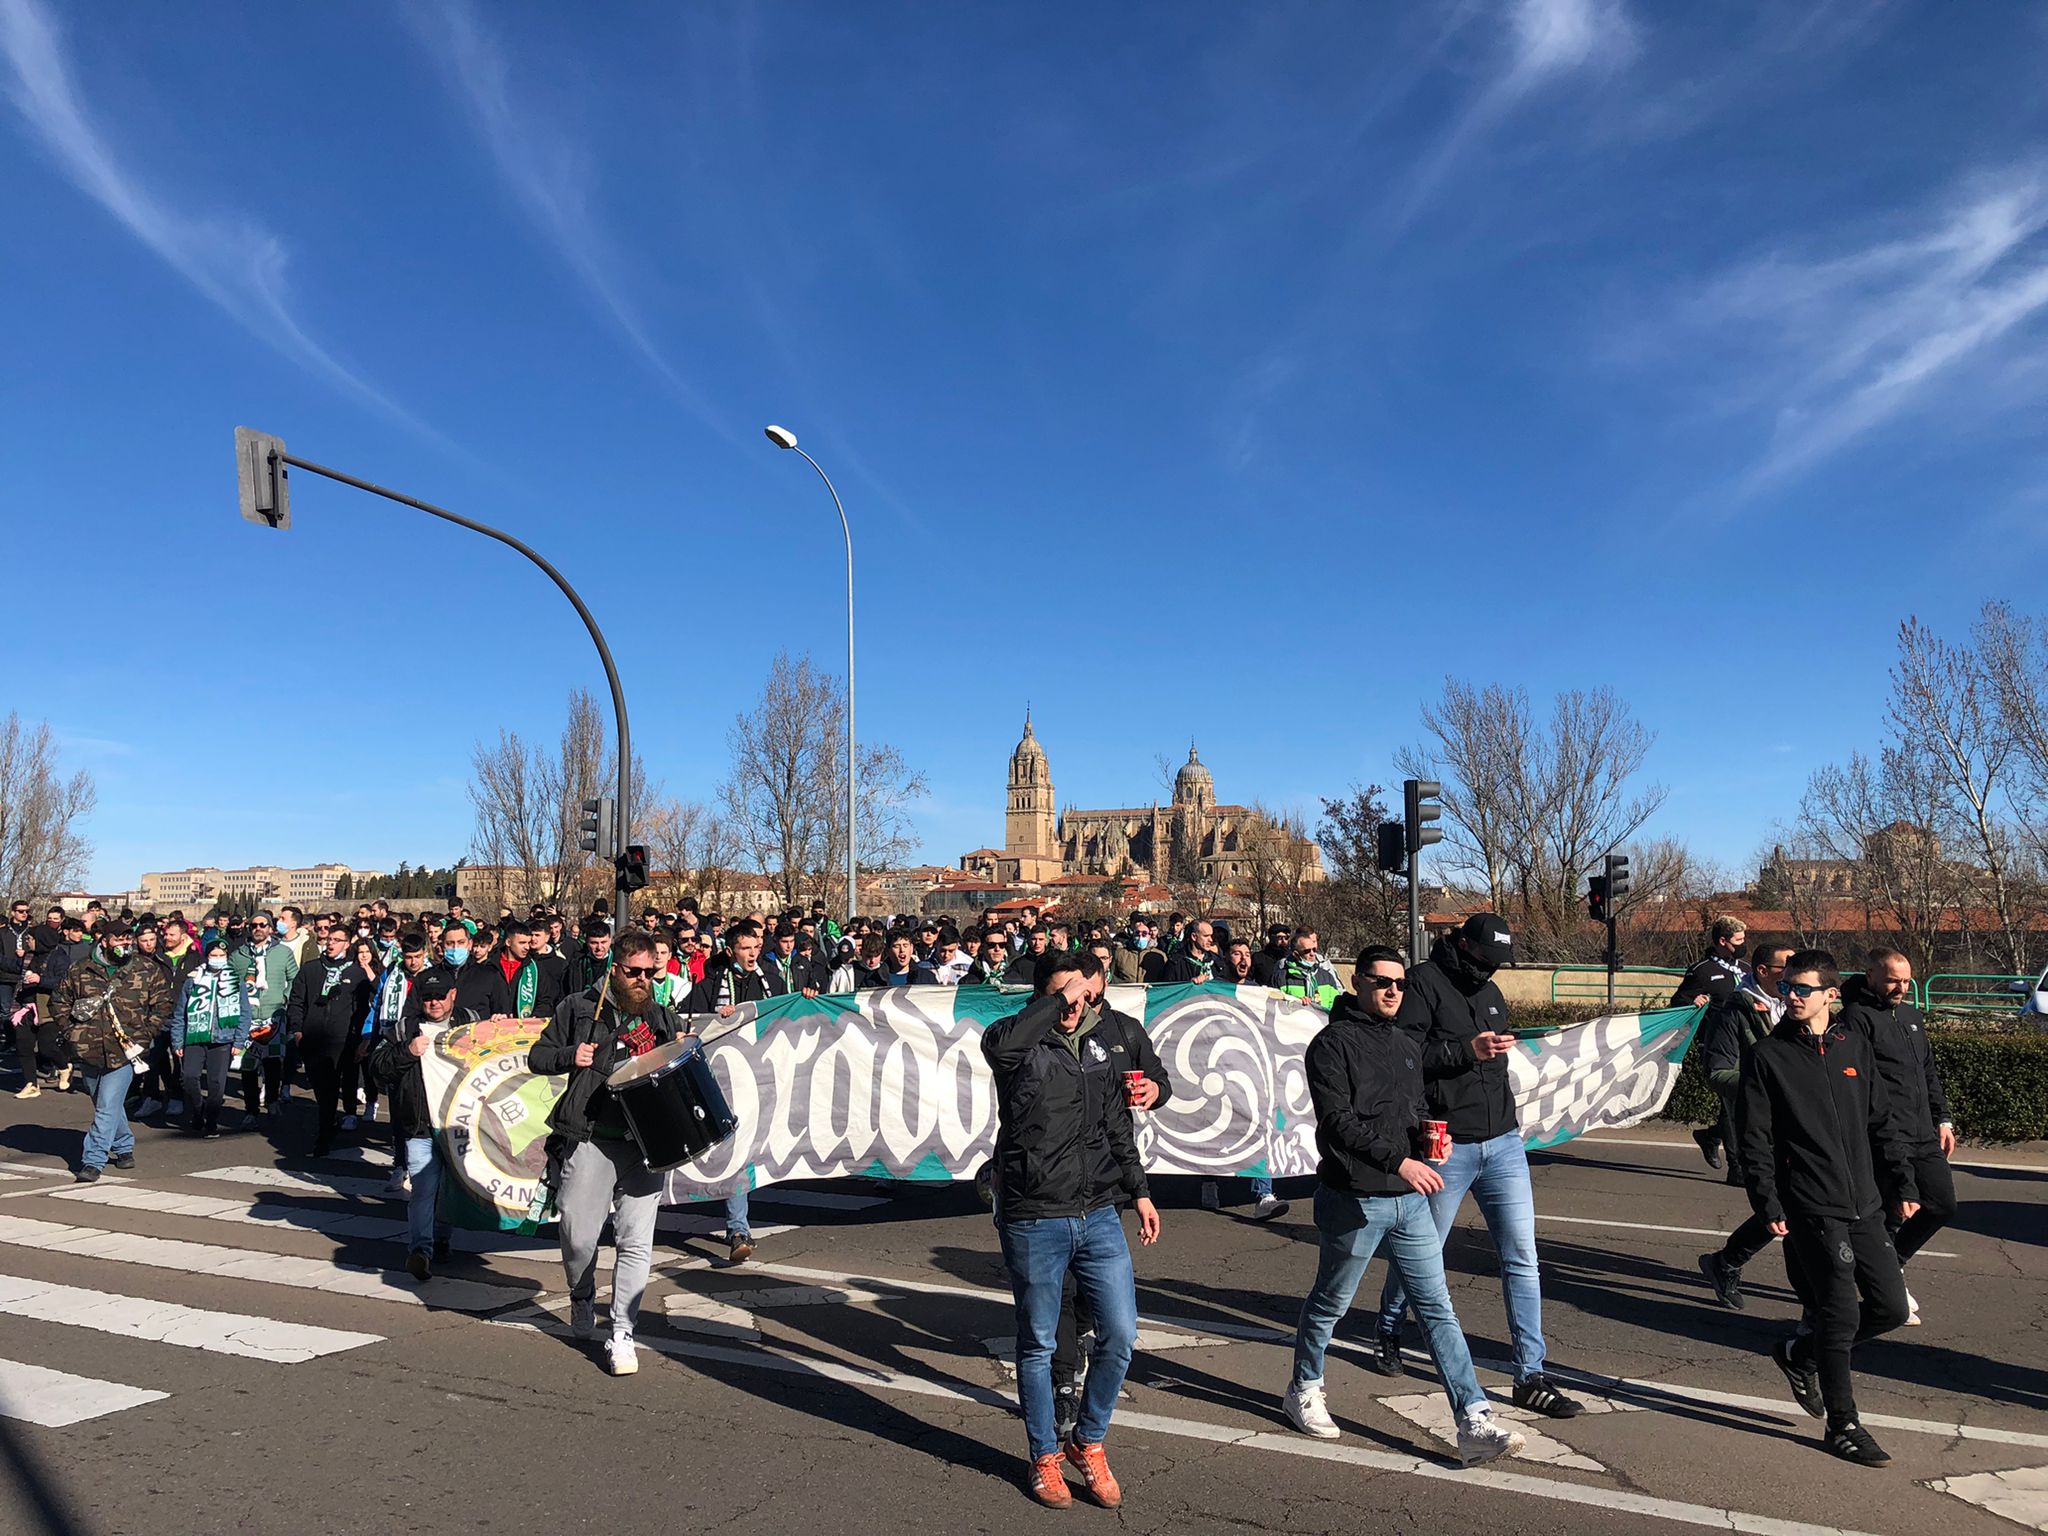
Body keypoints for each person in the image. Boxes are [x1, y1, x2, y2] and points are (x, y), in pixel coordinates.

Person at [1284, 947, 1526, 1465]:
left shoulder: (1405, 1042)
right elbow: (1338, 1123)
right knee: (1332, 1302)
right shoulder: (1331, 1044)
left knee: (1437, 1308)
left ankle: (1472, 1418)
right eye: (1381, 982)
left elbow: (1414, 1106)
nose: (1393, 991)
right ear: (1357, 982)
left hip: (1409, 1199)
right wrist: (1401, 1162)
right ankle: (1304, 1388)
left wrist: (1428, 1136)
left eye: (1399, 984)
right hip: (1355, 1198)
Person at [1373, 913, 1583, 1419]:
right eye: (1485, 961)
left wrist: (1500, 1049)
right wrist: (1466, 1050)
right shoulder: (1422, 982)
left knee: (1522, 1258)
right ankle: (1388, 1325)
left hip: (1503, 1139)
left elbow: (1497, 1050)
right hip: (1448, 1142)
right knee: (1425, 1251)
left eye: (1498, 965)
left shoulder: (1490, 993)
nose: (1490, 972)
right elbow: (1405, 1053)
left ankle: (1529, 1373)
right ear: (1462, 945)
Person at [983, 952, 1160, 1509]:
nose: (1076, 1007)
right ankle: (1043, 1455)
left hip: (1099, 1211)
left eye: (1085, 997)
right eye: (1065, 996)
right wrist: (1058, 1000)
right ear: (1041, 996)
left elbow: (1114, 1125)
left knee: (1121, 1334)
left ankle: (1088, 1440)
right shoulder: (1013, 1040)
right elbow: (1005, 1047)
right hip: (1035, 1214)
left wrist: (1140, 1190)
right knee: (1038, 1344)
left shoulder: (1102, 1046)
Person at [1737, 949, 1917, 1467]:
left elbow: (1881, 1121)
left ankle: (1800, 1354)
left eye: (1803, 989)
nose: (1791, 996)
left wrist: (1902, 1181)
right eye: (1787, 987)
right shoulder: (1769, 1057)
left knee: (1891, 1309)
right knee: (1838, 1315)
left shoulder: (1852, 1044)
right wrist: (1766, 1199)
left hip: (1865, 1202)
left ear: (1830, 996)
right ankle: (1844, 1425)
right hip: (1811, 1205)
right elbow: (1756, 1139)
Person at [528, 930, 685, 1375]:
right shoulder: (578, 1008)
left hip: (645, 1143)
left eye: (649, 973)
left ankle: (622, 1333)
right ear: (614, 969)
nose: (642, 980)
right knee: (578, 1236)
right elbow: (537, 1057)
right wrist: (568, 1056)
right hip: (593, 1135)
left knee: (636, 1242)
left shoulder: (659, 1015)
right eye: (633, 972)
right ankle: (581, 1295)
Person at [1836, 947, 1954, 1326]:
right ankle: (1885, 1288)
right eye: (1892, 980)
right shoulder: (1857, 1017)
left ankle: (1892, 1265)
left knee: (1942, 1205)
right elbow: (1857, 1080)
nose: (1901, 988)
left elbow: (1927, 1071)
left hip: (1923, 1132)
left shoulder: (1910, 1015)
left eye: (1906, 981)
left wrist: (1944, 1119)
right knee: (1890, 1214)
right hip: (1886, 1134)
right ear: (1871, 975)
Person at [1697, 942, 1792, 1309]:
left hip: (1799, 1121)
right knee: (1783, 1205)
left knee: (1800, 1203)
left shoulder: (1797, 1005)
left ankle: (1726, 1262)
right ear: (1764, 971)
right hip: (1760, 1125)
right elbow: (1717, 1073)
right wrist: (1766, 1084)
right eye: (1787, 967)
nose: (1794, 974)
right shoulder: (1734, 1011)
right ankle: (1726, 1262)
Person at [684, 922, 781, 1261]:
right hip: (727, 1080)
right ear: (731, 952)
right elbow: (688, 1022)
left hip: (765, 1079)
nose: (753, 953)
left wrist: (808, 998)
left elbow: (791, 1014)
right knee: (736, 1152)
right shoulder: (711, 985)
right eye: (745, 948)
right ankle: (738, 1228)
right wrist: (716, 1018)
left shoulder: (772, 979)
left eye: (756, 946)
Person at [55, 922, 171, 1182]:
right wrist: (70, 1031)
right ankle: (123, 1145)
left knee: (107, 1104)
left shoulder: (145, 968)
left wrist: (145, 1035)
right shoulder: (80, 970)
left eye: (128, 939)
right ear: (104, 941)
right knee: (104, 1103)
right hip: (89, 1049)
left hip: (126, 1051)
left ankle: (93, 1160)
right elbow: (60, 1000)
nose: (125, 944)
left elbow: (163, 1004)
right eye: (118, 939)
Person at [378, 973, 467, 1281]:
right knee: (423, 1189)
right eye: (428, 997)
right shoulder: (403, 1029)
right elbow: (378, 1067)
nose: (434, 1003)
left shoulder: (471, 1023)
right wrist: (408, 1052)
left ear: (452, 994)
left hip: (461, 1123)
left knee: (450, 1190)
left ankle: (442, 1238)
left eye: (440, 996)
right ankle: (421, 1250)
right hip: (420, 1125)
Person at [286, 924, 376, 1156]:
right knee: (320, 1086)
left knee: (332, 1085)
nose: (331, 943)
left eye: (337, 940)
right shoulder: (310, 969)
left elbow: (363, 1009)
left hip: (342, 1039)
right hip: (312, 1036)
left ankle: (324, 1134)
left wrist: (360, 1038)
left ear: (347, 944)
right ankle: (328, 1122)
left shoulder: (356, 974)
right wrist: (297, 1029)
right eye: (329, 939)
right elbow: (296, 1001)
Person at [1673, 916, 1749, 1169]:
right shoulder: (1702, 971)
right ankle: (1737, 1166)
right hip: (1719, 1044)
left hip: (1747, 1042)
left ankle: (1712, 1135)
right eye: (1738, 940)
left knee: (1740, 1101)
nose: (1742, 944)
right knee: (1731, 1102)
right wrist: (1691, 1002)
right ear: (1722, 941)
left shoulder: (1746, 970)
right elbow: (1678, 1002)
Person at [170, 939, 252, 1138]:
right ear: (206, 957)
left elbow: (244, 1012)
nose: (217, 959)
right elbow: (180, 1013)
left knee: (216, 1084)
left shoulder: (235, 981)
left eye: (221, 956)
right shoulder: (193, 981)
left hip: (223, 1039)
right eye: (213, 956)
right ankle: (198, 1109)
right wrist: (177, 1040)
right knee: (189, 1078)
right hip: (195, 1037)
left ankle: (212, 1120)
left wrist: (239, 1041)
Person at [231, 912, 298, 1122]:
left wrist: (285, 999)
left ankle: (272, 1100)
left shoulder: (283, 952)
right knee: (247, 1066)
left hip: (274, 1014)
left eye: (262, 925)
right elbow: (230, 982)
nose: (257, 928)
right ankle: (251, 1109)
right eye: (253, 925)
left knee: (272, 1063)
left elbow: (294, 978)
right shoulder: (239, 955)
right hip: (247, 1017)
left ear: (270, 928)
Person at [1276, 930, 1343, 1011]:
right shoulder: (1281, 978)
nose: (1312, 954)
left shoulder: (1327, 977)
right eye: (1307, 951)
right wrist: (1296, 1003)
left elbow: (1335, 1007)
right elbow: (1274, 1009)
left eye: (1314, 950)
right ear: (1296, 954)